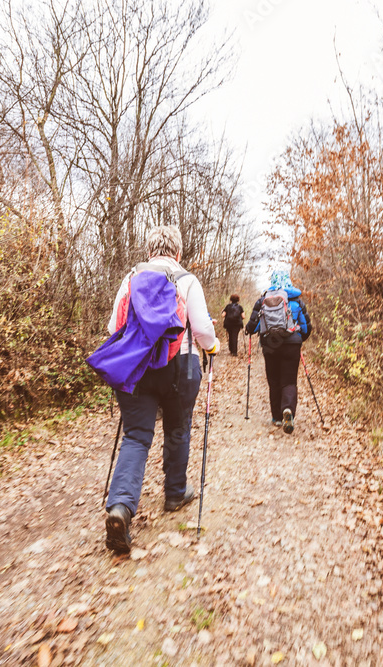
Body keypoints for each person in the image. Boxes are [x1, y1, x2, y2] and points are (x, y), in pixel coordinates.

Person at [103, 225, 219, 554]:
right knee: (178, 427)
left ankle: (121, 507)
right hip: (180, 367)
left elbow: (114, 327)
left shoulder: (130, 279)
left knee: (137, 436)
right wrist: (212, 348)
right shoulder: (188, 281)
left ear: (149, 250)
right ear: (178, 253)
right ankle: (175, 493)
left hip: (137, 369)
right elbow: (201, 329)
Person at [245, 269, 312, 435]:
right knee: (289, 381)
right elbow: (306, 327)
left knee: (274, 380)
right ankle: (288, 409)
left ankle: (276, 417)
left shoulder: (263, 300)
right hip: (292, 345)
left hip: (270, 346)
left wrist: (250, 330)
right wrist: (297, 339)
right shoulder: (296, 300)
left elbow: (252, 326)